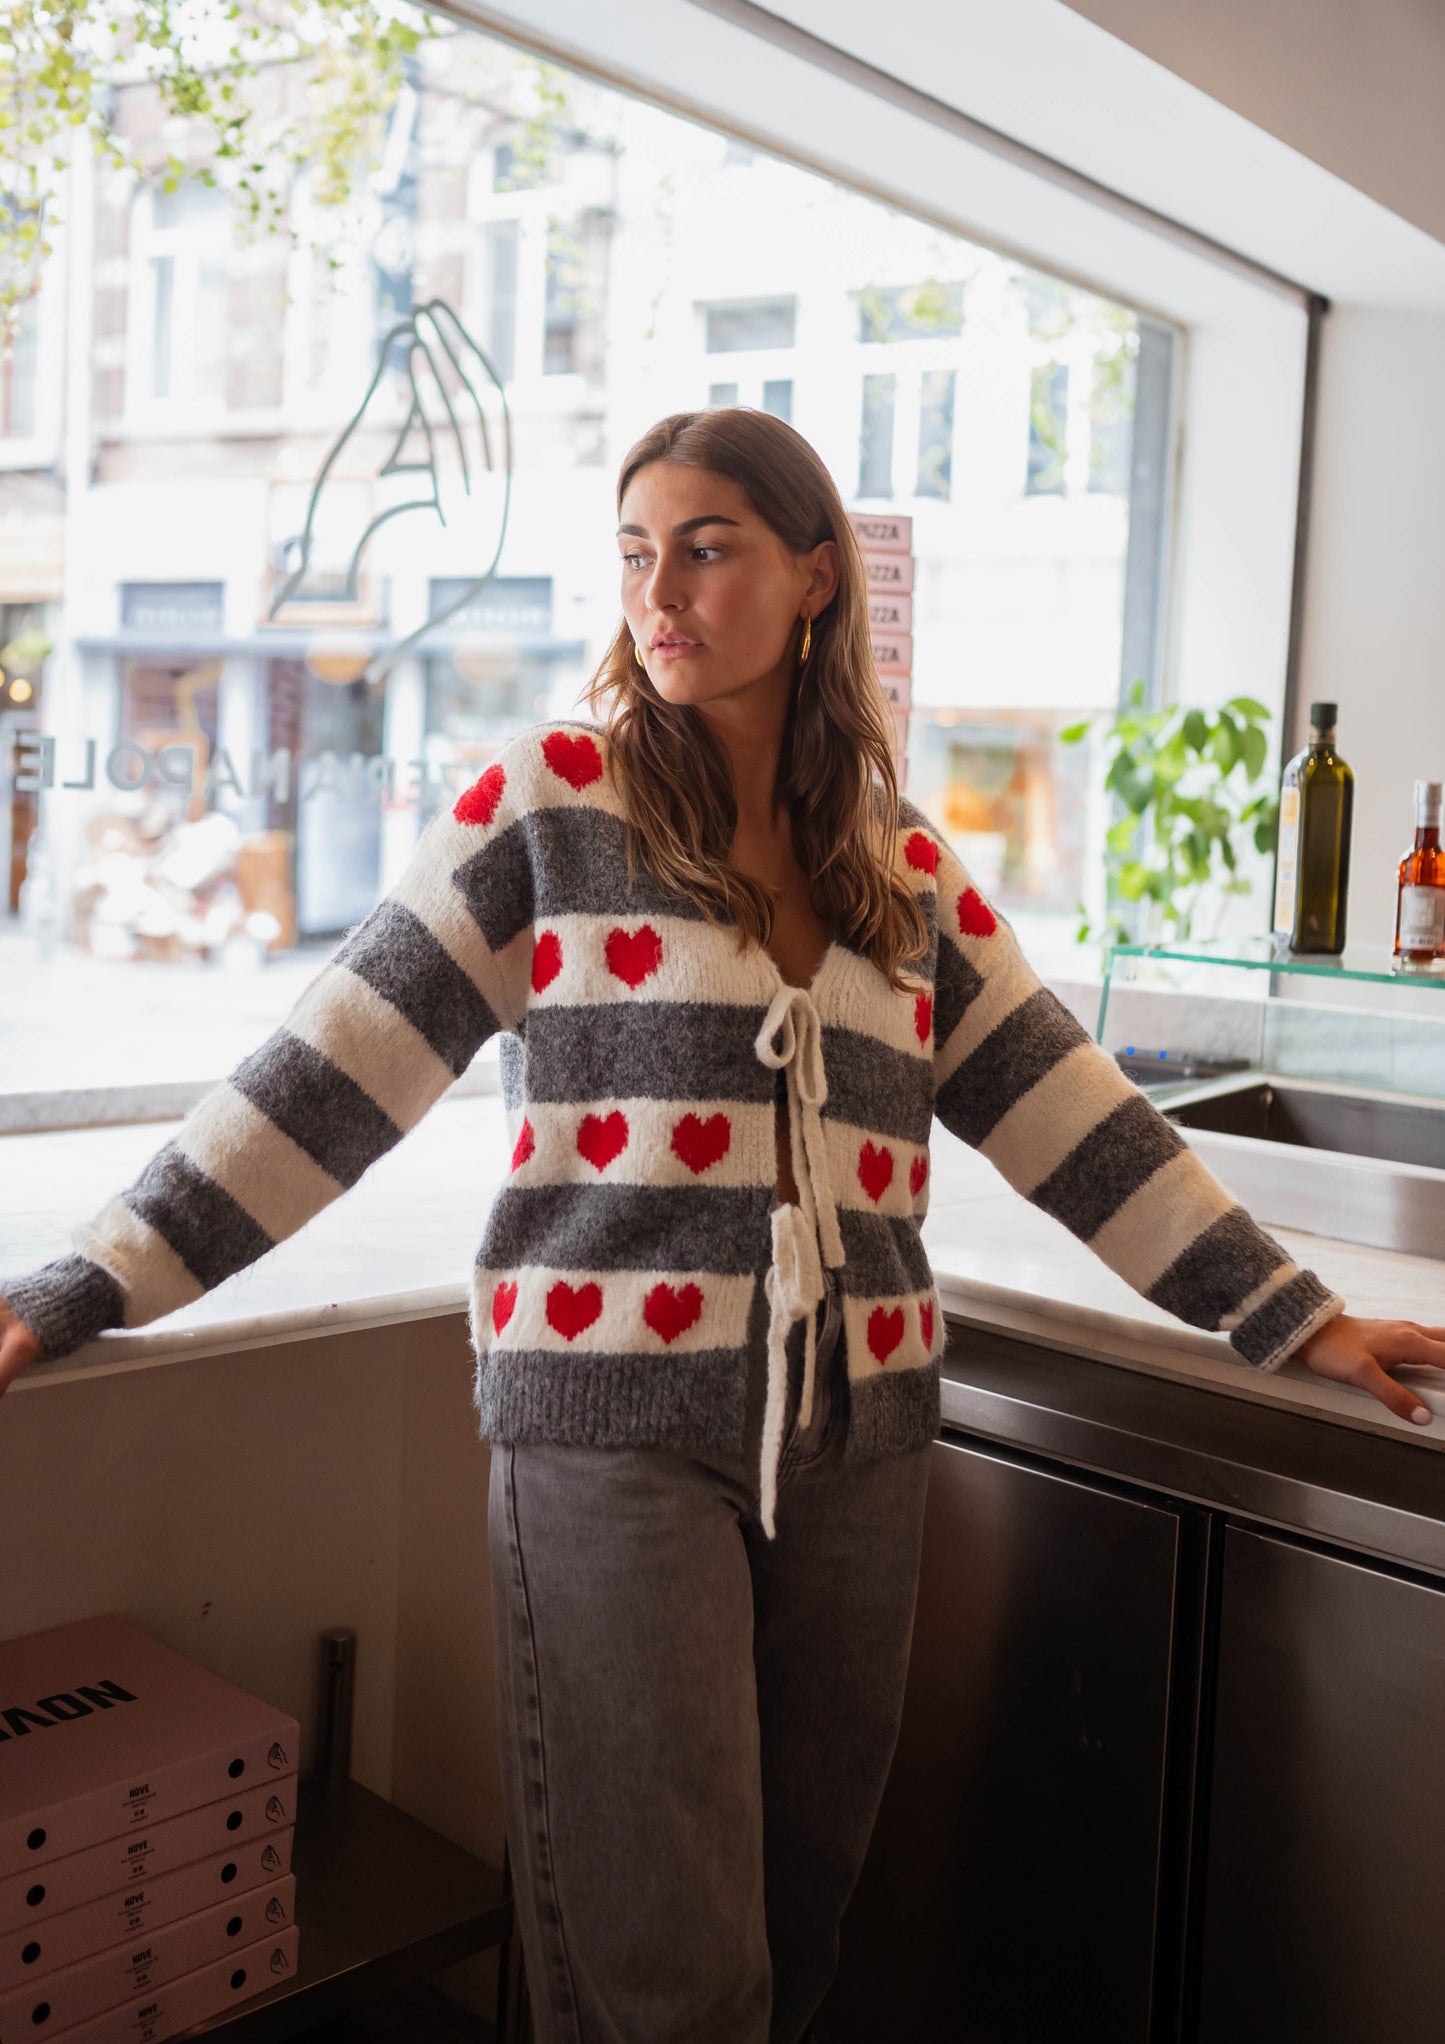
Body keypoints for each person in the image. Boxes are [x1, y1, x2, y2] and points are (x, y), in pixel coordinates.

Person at [2, 407, 1442, 2044]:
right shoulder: (549, 808)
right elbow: (329, 1072)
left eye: (706, 547)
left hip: (863, 1441)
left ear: (812, 576)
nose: (658, 591)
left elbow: (1074, 1119)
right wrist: (90, 1277)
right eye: (634, 553)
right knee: (673, 1979)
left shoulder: (896, 866)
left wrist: (1291, 1315)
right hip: (610, 1439)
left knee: (799, 1920)